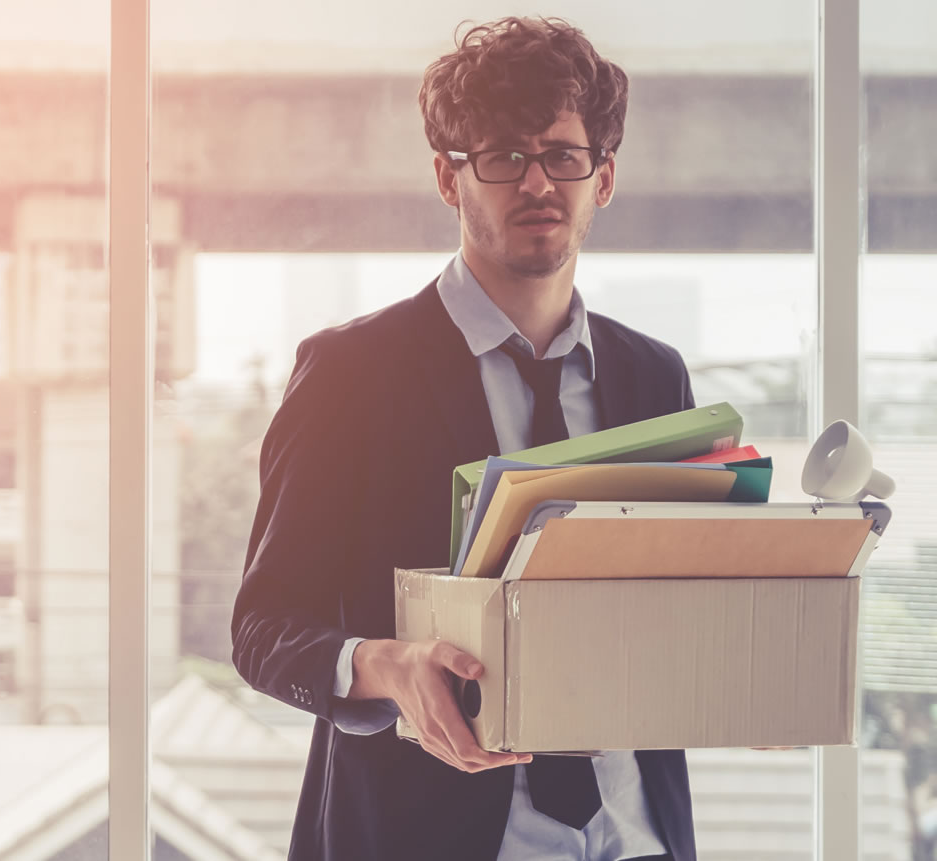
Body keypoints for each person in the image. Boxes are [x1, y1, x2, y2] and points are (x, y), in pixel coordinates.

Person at [231, 16, 697, 861]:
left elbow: (675, 607)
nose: (537, 183)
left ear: (605, 175)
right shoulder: (349, 371)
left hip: (637, 834)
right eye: (501, 158)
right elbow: (262, 629)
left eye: (562, 154)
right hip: (427, 835)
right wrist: (386, 665)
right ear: (450, 180)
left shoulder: (654, 378)